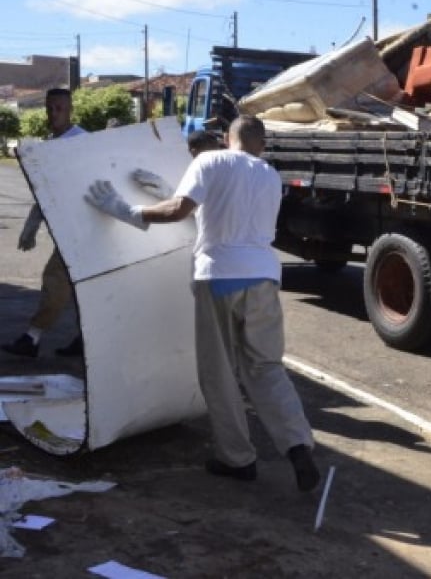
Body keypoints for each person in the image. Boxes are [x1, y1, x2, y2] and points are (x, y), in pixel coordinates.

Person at [84, 115, 320, 492]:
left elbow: (180, 209)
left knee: (220, 372)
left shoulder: (210, 160)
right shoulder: (270, 176)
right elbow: (231, 214)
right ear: (262, 144)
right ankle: (297, 445)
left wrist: (127, 210)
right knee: (266, 368)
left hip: (220, 277)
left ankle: (238, 459)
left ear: (228, 138)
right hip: (263, 278)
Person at [3, 88, 88, 359]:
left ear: (70, 109)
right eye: (49, 108)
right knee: (80, 288)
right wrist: (33, 223)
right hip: (68, 227)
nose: (53, 114)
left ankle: (32, 339)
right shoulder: (51, 144)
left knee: (55, 281)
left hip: (81, 228)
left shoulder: (82, 142)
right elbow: (48, 190)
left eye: (59, 108)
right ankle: (85, 340)